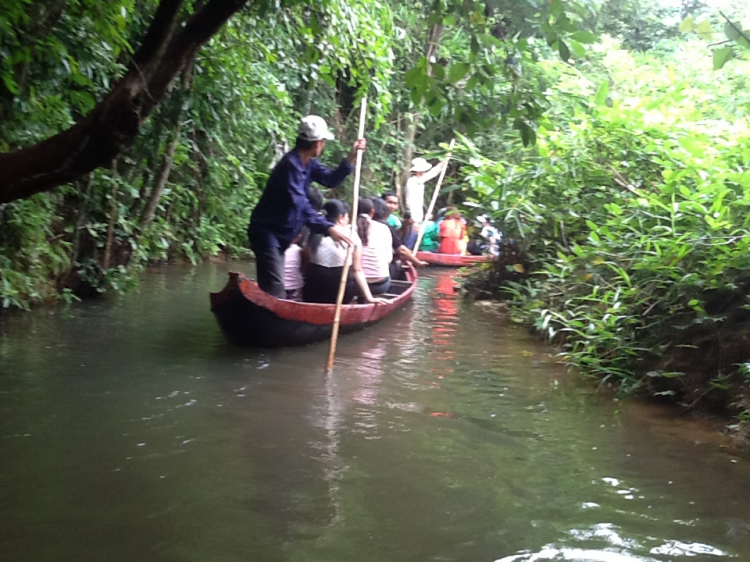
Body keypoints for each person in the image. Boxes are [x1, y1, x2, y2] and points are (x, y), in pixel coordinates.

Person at [248, 115, 364, 298]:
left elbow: (330, 179)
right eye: (323, 142)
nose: (323, 145)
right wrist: (329, 227)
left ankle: (266, 316)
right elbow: (301, 205)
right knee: (275, 288)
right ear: (318, 143)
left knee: (273, 285)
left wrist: (351, 157)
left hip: (282, 234)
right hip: (266, 231)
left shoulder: (309, 163)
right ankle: (271, 321)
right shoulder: (290, 165)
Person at [303, 200, 385, 305]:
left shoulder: (313, 234)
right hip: (341, 290)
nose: (348, 220)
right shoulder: (350, 234)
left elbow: (305, 262)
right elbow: (357, 270)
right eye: (347, 217)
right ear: (341, 217)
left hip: (312, 289)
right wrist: (370, 298)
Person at [371, 197, 427, 274]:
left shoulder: (357, 224)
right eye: (389, 203)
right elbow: (401, 249)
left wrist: (405, 226)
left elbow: (396, 238)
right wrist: (418, 262)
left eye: (395, 204)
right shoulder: (384, 225)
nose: (392, 206)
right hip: (381, 269)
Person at [357, 198, 395, 295]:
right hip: (380, 285)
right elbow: (388, 259)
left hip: (355, 285)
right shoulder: (383, 228)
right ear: (372, 212)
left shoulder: (349, 228)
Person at [405, 157, 444, 224]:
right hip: (414, 214)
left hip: (418, 213)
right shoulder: (413, 181)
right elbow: (412, 200)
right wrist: (413, 217)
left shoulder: (419, 180)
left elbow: (433, 173)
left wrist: (443, 162)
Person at [283, 234, 304, 300]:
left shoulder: (277, 249)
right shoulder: (300, 250)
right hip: (296, 286)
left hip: (280, 285)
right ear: (298, 237)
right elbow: (304, 268)